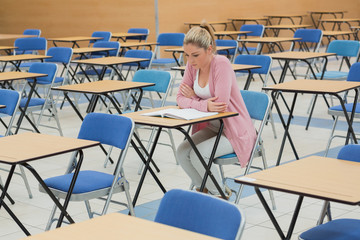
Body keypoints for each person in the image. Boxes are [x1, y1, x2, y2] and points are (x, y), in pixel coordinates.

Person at [176, 21, 257, 197]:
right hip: (213, 127)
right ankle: (205, 190)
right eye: (187, 55)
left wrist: (194, 99)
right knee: (182, 152)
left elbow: (220, 106)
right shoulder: (192, 66)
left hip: (234, 129)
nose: (190, 60)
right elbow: (179, 98)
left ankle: (219, 196)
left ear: (209, 49)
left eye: (195, 55)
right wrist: (202, 103)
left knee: (199, 155)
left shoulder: (221, 64)